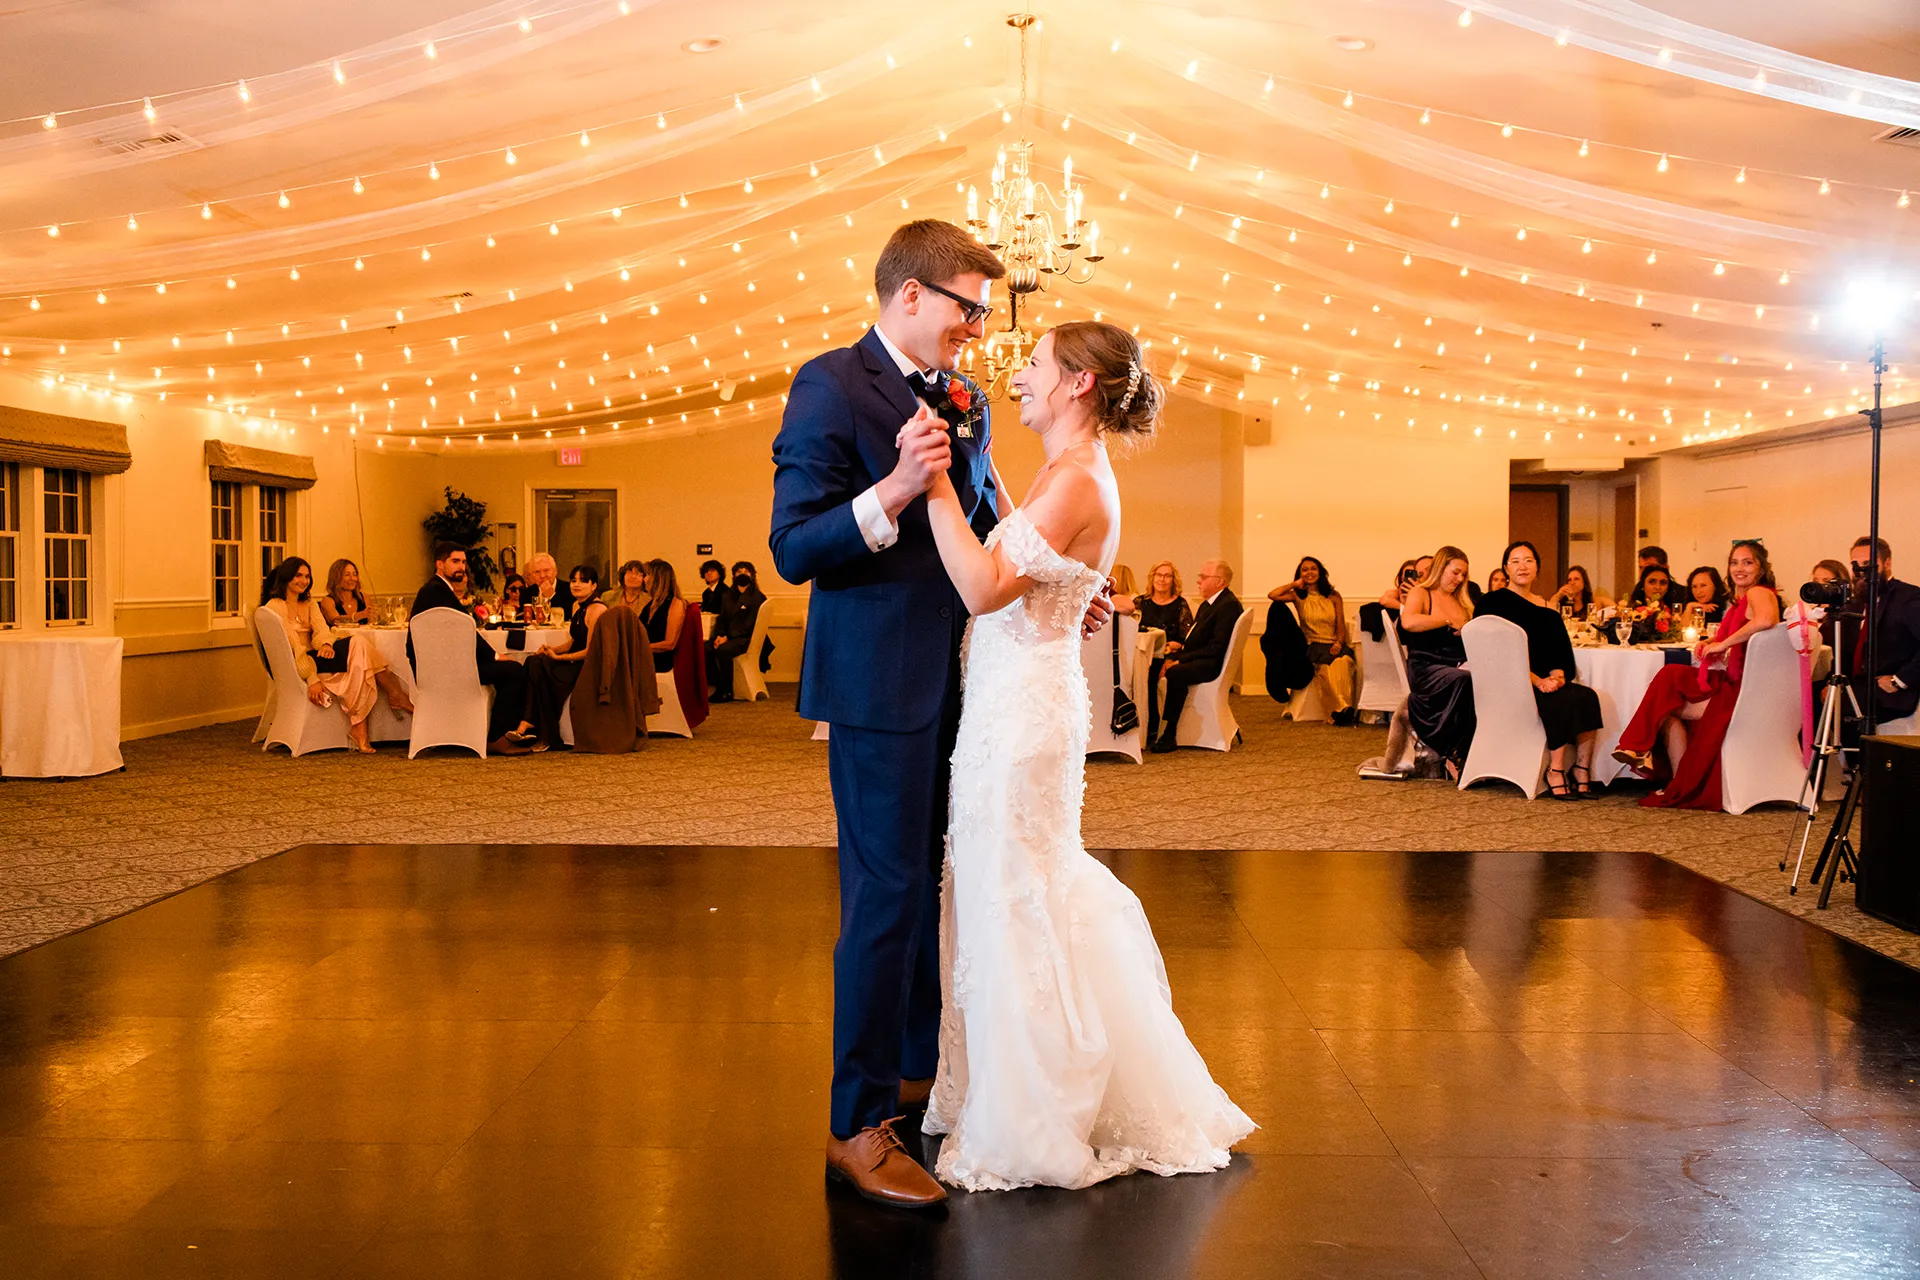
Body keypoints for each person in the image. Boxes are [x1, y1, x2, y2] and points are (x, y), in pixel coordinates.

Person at [903, 317, 1251, 1191]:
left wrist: (932, 479)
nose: (1016, 375)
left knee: (1014, 893)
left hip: (1022, 716)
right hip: (1017, 703)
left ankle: (1031, 1115)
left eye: (1032, 365)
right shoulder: (1065, 474)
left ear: (1078, 385)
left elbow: (984, 585)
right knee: (1008, 887)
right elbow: (1031, 553)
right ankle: (1003, 1082)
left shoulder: (1078, 476)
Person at [771, 220, 1020, 1209]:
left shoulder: (968, 397)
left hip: (960, 676)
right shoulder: (829, 385)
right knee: (882, 897)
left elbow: (990, 508)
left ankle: (917, 1072)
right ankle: (855, 1123)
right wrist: (896, 486)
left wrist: (1057, 577)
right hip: (875, 681)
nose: (977, 330)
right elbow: (794, 548)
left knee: (926, 882)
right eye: (968, 308)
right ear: (910, 295)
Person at [1612, 541, 1782, 808]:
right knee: (1670, 679)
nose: (1740, 568)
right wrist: (1713, 644)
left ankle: (1637, 746)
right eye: (1735, 562)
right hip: (1734, 679)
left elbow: (1767, 619)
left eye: (1748, 562)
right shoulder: (1741, 599)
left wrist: (1723, 644)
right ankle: (1660, 765)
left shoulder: (1759, 592)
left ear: (1761, 568)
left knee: (1669, 682)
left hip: (1742, 689)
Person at [1478, 541, 1605, 799]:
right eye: (1515, 561)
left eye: (1528, 560)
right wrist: (1538, 682)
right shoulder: (1493, 602)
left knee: (1587, 696)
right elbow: (1495, 654)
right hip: (1508, 681)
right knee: (1558, 699)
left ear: (1537, 568)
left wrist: (1557, 676)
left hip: (1543, 680)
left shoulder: (1547, 610)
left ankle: (1581, 769)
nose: (1522, 566)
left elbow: (1559, 653)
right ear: (1505, 569)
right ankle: (1555, 770)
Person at [261, 557, 410, 751]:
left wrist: (325, 644)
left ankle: (361, 727)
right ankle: (386, 703)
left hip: (318, 655)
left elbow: (322, 630)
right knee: (361, 660)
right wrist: (312, 678)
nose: (303, 581)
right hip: (302, 663)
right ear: (286, 578)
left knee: (359, 644)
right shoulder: (275, 606)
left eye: (307, 577)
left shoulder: (309, 604)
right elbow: (294, 648)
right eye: (298, 576)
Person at [409, 542, 531, 755]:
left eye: (463, 562)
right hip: (449, 671)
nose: (461, 567)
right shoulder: (438, 592)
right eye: (455, 561)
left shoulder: (433, 590)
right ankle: (497, 738)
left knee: (508, 668)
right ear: (439, 564)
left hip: (435, 669)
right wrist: (494, 656)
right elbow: (465, 633)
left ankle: (505, 732)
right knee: (514, 671)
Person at [505, 565, 607, 751]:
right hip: (572, 660)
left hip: (585, 667)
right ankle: (531, 725)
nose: (576, 585)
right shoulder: (577, 606)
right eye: (574, 580)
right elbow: (571, 642)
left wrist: (559, 658)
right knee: (534, 660)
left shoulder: (597, 610)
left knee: (538, 667)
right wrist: (552, 649)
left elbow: (590, 652)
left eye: (583, 581)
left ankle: (533, 727)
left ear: (593, 586)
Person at [1398, 546, 1476, 777]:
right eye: (1456, 572)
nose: (1460, 579)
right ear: (1441, 568)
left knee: (1484, 678)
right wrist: (1446, 620)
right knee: (1464, 680)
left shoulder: (1461, 601)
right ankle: (1454, 750)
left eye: (1464, 574)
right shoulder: (1421, 593)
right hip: (1426, 666)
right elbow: (1409, 622)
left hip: (1457, 663)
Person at [1151, 559, 1243, 751]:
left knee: (1175, 673)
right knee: (1165, 667)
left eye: (1203, 576)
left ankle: (1169, 732)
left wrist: (1178, 660)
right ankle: (1155, 726)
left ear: (1219, 581)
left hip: (1211, 664)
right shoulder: (1210, 604)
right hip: (1204, 659)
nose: (1199, 581)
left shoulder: (1228, 605)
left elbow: (1216, 647)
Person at [1268, 556, 1356, 724]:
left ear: (1320, 571)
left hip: (1334, 644)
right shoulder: (1298, 596)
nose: (1310, 572)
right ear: (1300, 574)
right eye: (1305, 569)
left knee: (1343, 663)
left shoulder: (1333, 596)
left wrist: (1339, 643)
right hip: (1313, 645)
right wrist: (1294, 584)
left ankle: (1345, 708)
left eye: (1313, 568)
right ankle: (1338, 710)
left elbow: (1340, 625)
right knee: (1326, 670)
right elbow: (1272, 595)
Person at [1848, 537, 1920, 727]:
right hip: (1856, 687)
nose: (1860, 572)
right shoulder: (1855, 604)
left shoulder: (1908, 598)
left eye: (1867, 564)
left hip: (1889, 695)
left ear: (1887, 563)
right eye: (1855, 565)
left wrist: (1900, 680)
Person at [1134, 560, 1193, 741]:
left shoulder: (1180, 605)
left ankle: (1153, 727)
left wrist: (1175, 646)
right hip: (1141, 654)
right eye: (1159, 575)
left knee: (1151, 677)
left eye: (1167, 576)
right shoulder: (1140, 603)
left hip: (1167, 654)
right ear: (1152, 578)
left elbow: (1187, 638)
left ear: (1173, 580)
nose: (1162, 579)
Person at [708, 560, 767, 702]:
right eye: (739, 572)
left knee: (723, 650)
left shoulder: (757, 597)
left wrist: (727, 637)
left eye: (746, 572)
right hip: (727, 636)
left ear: (752, 576)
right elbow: (722, 619)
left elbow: (749, 625)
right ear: (733, 576)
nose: (743, 574)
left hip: (745, 638)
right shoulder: (727, 595)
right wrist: (719, 635)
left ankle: (726, 690)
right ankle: (718, 685)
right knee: (706, 648)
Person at [640, 559, 688, 675]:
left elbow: (670, 643)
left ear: (657, 578)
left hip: (661, 660)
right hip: (646, 656)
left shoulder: (676, 603)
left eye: (647, 575)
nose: (644, 580)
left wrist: (640, 647)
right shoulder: (650, 605)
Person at [1622, 563, 1679, 645]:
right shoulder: (1632, 610)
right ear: (1643, 585)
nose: (1657, 587)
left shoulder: (1674, 612)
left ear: (1668, 588)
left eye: (1663, 583)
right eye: (1652, 582)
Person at [317, 558, 371, 626]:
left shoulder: (365, 597)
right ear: (336, 578)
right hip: (340, 636)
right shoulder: (328, 601)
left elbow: (372, 623)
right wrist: (359, 615)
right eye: (347, 575)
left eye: (354, 574)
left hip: (364, 636)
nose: (352, 578)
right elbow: (335, 620)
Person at [1548, 565, 1612, 619]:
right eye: (1569, 580)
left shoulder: (1593, 601)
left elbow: (1615, 608)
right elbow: (1549, 611)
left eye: (1576, 579)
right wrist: (1559, 594)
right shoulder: (1563, 602)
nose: (1572, 583)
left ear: (1584, 582)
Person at [522, 552, 572, 622]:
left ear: (555, 571)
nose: (542, 576)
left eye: (546, 570)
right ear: (532, 575)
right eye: (537, 572)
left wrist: (551, 596)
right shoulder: (528, 593)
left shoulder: (569, 590)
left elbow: (567, 616)